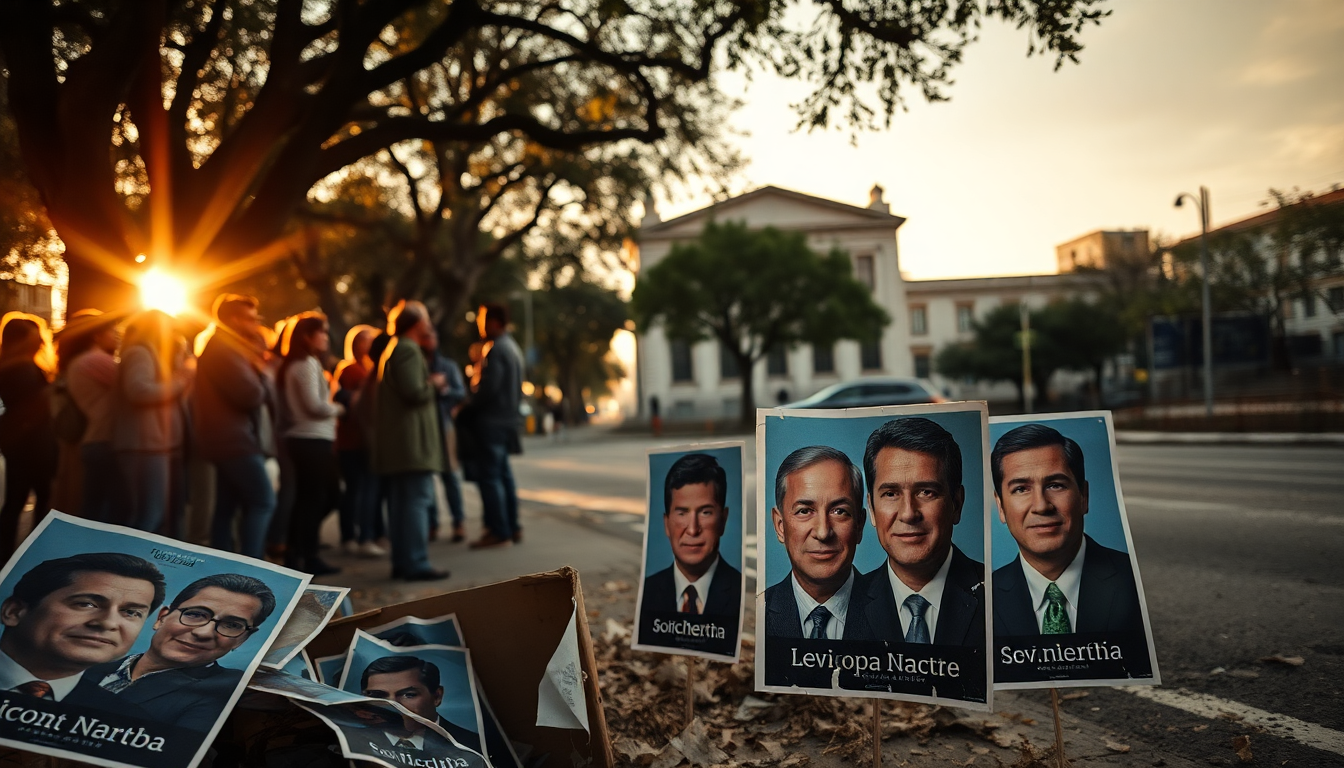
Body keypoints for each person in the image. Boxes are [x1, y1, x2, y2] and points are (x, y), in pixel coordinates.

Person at [990, 423, 1145, 638]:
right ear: (1000, 507)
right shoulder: (981, 598)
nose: (1041, 506)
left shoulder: (1136, 580)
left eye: (1056, 485)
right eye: (1021, 489)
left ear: (1083, 497)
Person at [850, 417, 984, 648]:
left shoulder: (998, 596)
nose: (909, 513)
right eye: (891, 494)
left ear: (957, 504)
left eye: (926, 492)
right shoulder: (844, 603)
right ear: (871, 509)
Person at [87, 573, 276, 733]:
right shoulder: (84, 667)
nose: (203, 633)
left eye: (232, 625)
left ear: (243, 639)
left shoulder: (232, 690)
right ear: (161, 618)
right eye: (195, 614)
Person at [0, 552, 165, 712]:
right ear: (14, 612)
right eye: (86, 604)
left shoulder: (128, 718)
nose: (108, 623)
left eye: (131, 612)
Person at [371, 301, 448, 582]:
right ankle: (415, 562)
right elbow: (414, 393)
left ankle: (404, 561)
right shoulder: (406, 349)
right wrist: (435, 384)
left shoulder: (396, 348)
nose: (429, 324)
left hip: (401, 444)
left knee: (403, 504)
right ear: (417, 324)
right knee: (416, 502)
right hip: (410, 445)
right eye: (426, 318)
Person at [195, 295, 277, 558]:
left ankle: (223, 564)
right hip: (233, 439)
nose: (256, 324)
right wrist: (262, 375)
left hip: (225, 437)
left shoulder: (224, 346)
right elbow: (250, 395)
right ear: (233, 320)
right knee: (263, 500)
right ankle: (252, 566)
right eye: (251, 319)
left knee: (227, 506)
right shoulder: (224, 349)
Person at [764, 446, 868, 642]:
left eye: (839, 511)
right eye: (804, 511)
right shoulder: (756, 616)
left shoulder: (899, 613)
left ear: (859, 525)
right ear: (780, 526)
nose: (823, 532)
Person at [114, 310, 192, 535]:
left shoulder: (148, 353)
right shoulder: (140, 353)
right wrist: (178, 383)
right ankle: (130, 565)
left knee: (152, 514)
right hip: (143, 445)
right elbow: (138, 390)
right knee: (148, 515)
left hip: (151, 444)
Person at [638, 453, 741, 622]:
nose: (693, 529)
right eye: (682, 513)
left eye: (705, 512)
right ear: (666, 524)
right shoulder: (648, 592)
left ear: (723, 520)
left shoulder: (742, 593)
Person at [277, 313, 343, 575]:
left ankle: (297, 553)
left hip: (309, 439)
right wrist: (338, 408)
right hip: (311, 439)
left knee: (310, 498)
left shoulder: (300, 363)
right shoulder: (306, 363)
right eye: (322, 332)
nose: (326, 337)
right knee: (323, 497)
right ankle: (307, 554)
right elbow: (314, 406)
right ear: (307, 336)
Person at [463, 303, 523, 549]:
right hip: (507, 420)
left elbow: (489, 388)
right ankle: (512, 527)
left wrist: (469, 403)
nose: (480, 325)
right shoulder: (513, 347)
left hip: (491, 422)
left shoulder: (496, 349)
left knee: (491, 478)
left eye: (483, 320)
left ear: (496, 322)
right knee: (504, 476)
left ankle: (499, 532)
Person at [0, 312, 57, 556]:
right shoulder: (22, 368)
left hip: (18, 441)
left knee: (15, 500)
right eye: (36, 337)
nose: (40, 342)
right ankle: (35, 554)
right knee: (41, 499)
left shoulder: (10, 365)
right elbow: (37, 406)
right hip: (33, 444)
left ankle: (7, 552)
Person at [63, 311, 125, 523]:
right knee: (109, 512)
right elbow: (129, 384)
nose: (117, 335)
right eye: (112, 331)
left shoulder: (77, 362)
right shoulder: (94, 360)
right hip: (105, 441)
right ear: (96, 335)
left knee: (95, 507)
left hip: (95, 441)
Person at [333, 325, 385, 556]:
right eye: (366, 341)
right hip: (353, 440)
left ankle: (364, 534)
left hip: (364, 439)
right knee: (358, 489)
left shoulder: (371, 369)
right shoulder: (351, 370)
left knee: (363, 489)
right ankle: (356, 536)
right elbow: (346, 400)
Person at [359, 655, 479, 751]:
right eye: (378, 695)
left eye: (408, 695)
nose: (392, 705)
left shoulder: (472, 745)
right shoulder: (352, 742)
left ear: (437, 696)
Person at [426, 345, 468, 543]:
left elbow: (461, 393)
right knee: (427, 477)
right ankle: (431, 523)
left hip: (443, 425)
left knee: (450, 475)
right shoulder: (418, 364)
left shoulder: (447, 366)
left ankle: (458, 522)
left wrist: (443, 390)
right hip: (424, 428)